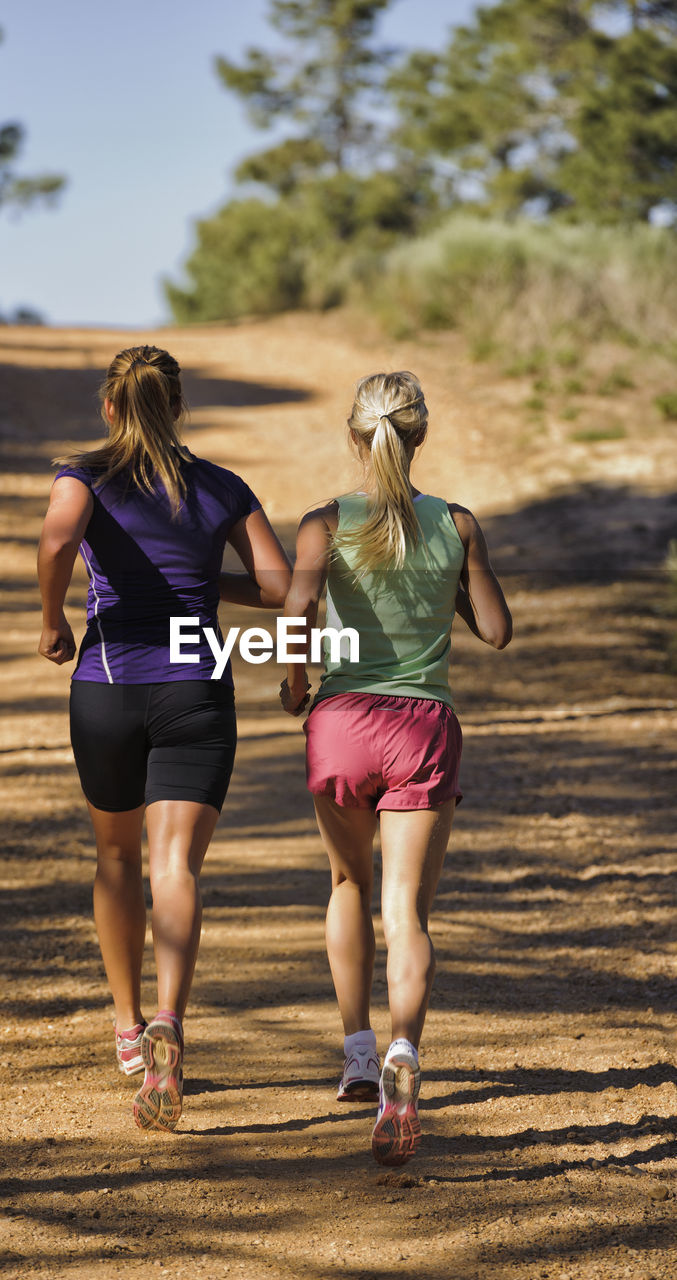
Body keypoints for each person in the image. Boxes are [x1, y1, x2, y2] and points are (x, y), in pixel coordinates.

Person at [38, 344, 291, 1133]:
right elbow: (282, 588)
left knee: (115, 857)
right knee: (173, 862)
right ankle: (169, 1024)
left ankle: (124, 1023)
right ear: (177, 406)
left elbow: (54, 543)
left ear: (109, 407)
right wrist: (202, 580)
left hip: (106, 688)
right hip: (195, 687)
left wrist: (53, 620)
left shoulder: (84, 476)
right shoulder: (219, 486)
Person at [280, 370, 512, 1167]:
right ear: (418, 436)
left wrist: (295, 684)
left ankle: (354, 1051)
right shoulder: (455, 523)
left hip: (341, 724)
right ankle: (402, 1055)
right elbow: (494, 629)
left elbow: (295, 615)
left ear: (354, 435)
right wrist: (449, 578)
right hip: (422, 727)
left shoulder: (321, 525)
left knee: (346, 885)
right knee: (404, 908)